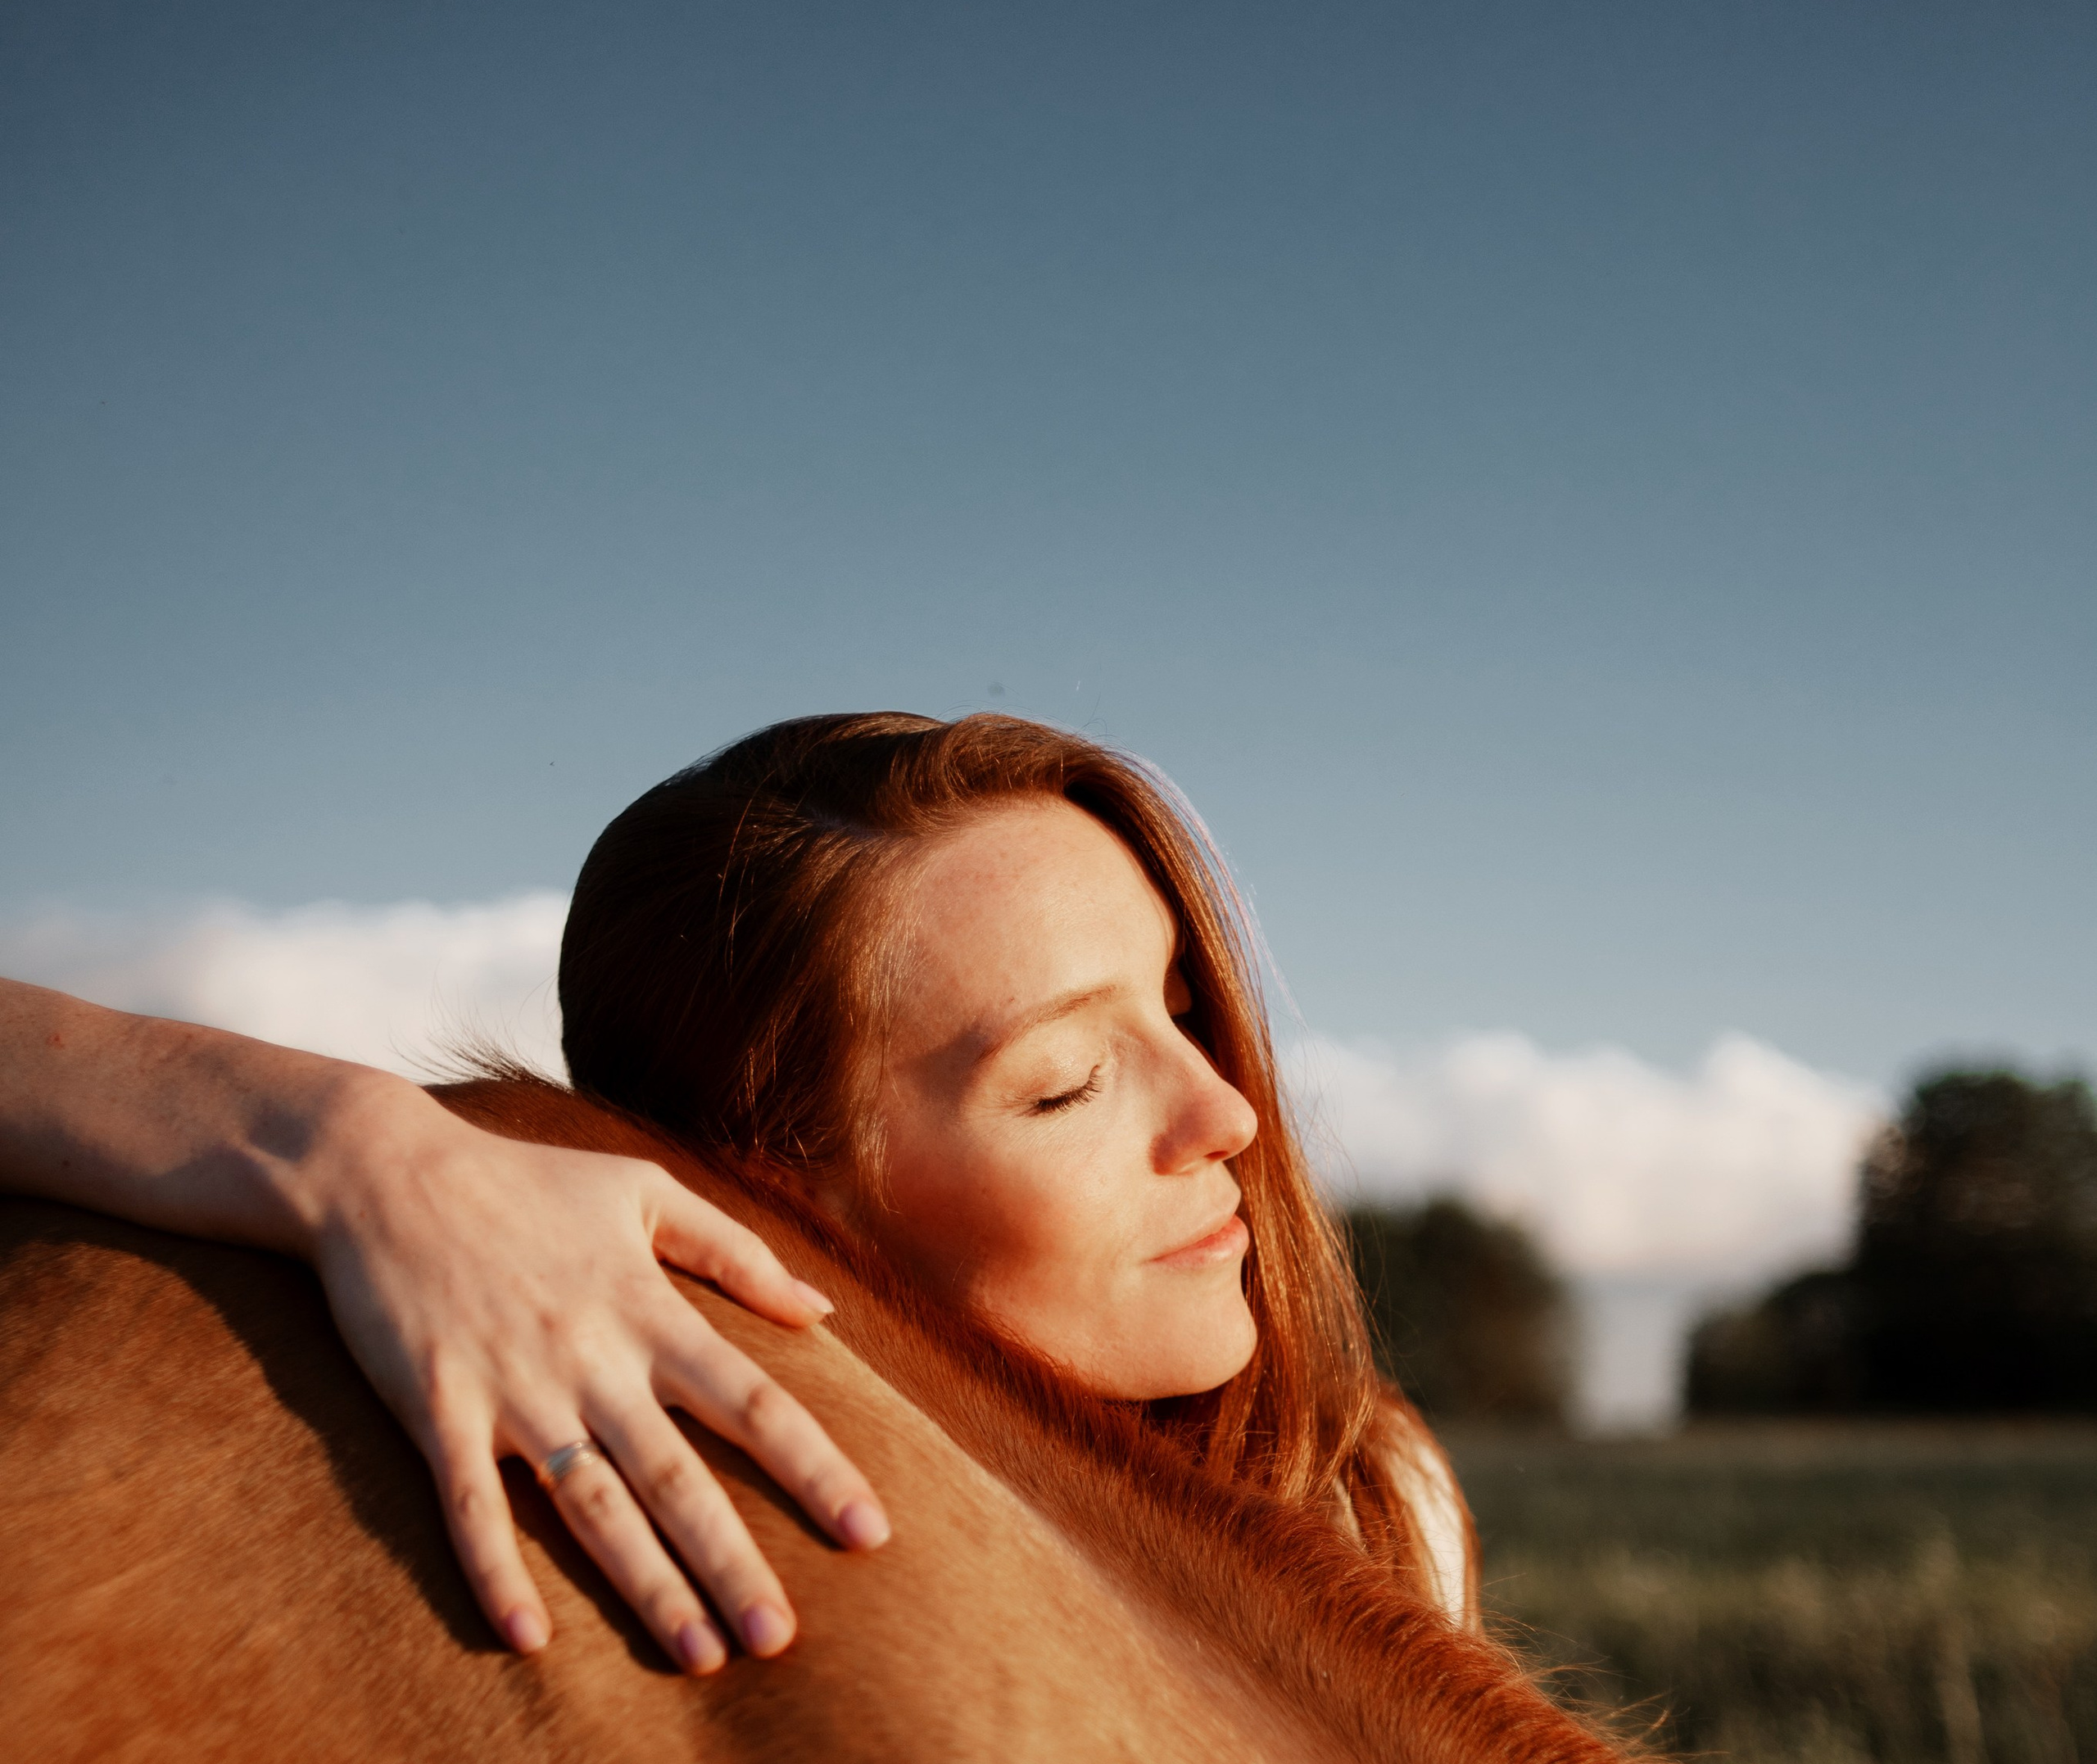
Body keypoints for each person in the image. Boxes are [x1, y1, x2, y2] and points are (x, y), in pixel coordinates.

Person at [0, 712, 1474, 1671]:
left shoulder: (1361, 1491)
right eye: (1067, 1083)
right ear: (783, 1198)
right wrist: (354, 1145)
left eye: (1183, 1003)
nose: (1226, 1112)